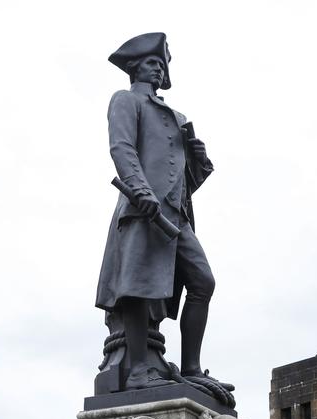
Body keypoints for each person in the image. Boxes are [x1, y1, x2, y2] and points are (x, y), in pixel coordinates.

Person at [96, 32, 216, 390]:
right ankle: (138, 373)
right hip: (142, 210)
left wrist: (199, 159)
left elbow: (182, 178)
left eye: (161, 65)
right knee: (137, 286)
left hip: (175, 217)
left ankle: (191, 368)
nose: (157, 70)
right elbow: (122, 149)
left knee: (202, 282)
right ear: (135, 68)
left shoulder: (176, 117)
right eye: (151, 63)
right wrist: (141, 191)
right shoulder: (125, 101)